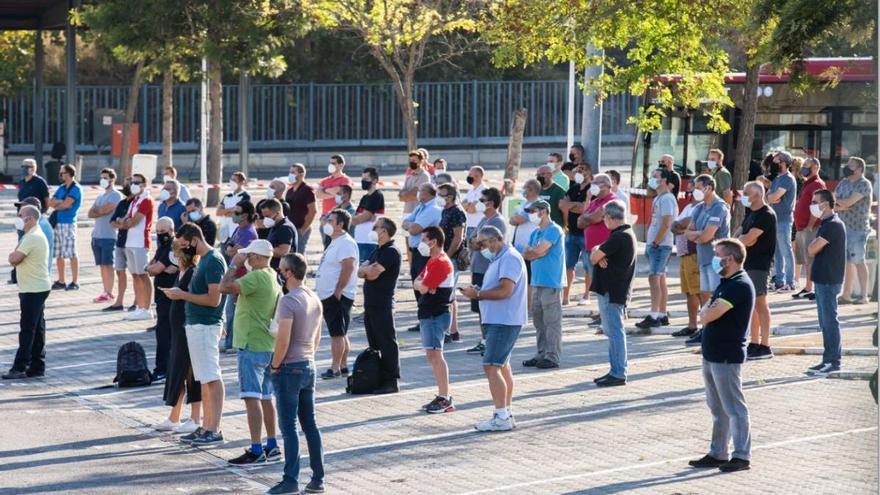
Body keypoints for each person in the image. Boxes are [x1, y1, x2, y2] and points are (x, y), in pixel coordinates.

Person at [688, 238, 754, 474]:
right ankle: (718, 452)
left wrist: (705, 312)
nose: (715, 259)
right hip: (712, 353)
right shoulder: (726, 282)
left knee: (734, 407)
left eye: (718, 255)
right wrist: (706, 312)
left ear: (731, 259)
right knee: (717, 407)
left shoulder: (739, 285)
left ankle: (741, 455)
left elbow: (708, 314)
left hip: (726, 355)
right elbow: (706, 310)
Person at [162, 224, 227, 446]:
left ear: (193, 239)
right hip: (197, 325)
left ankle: (214, 428)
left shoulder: (213, 261)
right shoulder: (203, 261)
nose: (184, 249)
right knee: (204, 379)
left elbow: (214, 299)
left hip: (206, 325)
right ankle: (205, 426)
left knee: (211, 377)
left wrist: (183, 295)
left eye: (184, 244)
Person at [219, 240, 283, 466]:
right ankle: (272, 444)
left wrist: (233, 265)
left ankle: (256, 449)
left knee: (251, 397)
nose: (245, 258)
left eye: (248, 256)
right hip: (266, 344)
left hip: (251, 343)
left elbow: (224, 287)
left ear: (255, 257)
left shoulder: (255, 277)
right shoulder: (272, 275)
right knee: (266, 397)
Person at [267, 253, 325, 495]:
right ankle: (317, 478)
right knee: (309, 424)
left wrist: (275, 365)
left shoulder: (289, 301)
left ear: (289, 273)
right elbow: (318, 337)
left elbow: (283, 337)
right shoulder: (313, 298)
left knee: (289, 426)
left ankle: (290, 480)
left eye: (281, 269)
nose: (279, 272)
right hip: (308, 363)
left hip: (290, 367)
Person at [460, 225, 527, 431]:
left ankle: (501, 416)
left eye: (482, 243)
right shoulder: (498, 258)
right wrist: (480, 290)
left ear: (494, 240)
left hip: (504, 320)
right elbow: (497, 288)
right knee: (501, 365)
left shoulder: (509, 258)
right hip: (498, 319)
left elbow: (505, 291)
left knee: (491, 366)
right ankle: (505, 412)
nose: (480, 248)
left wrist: (478, 295)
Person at [153, 236, 202, 435]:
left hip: (187, 328)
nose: (172, 255)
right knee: (177, 371)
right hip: (177, 329)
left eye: (175, 252)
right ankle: (175, 415)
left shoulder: (192, 273)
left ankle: (195, 416)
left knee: (190, 371)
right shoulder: (182, 273)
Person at [589, 200, 636, 386]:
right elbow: (596, 251)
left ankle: (618, 372)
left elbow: (594, 256)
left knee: (615, 332)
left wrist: (598, 255)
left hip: (613, 290)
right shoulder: (620, 234)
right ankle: (615, 369)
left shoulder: (620, 236)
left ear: (609, 217)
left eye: (604, 218)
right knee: (611, 331)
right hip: (612, 290)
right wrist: (599, 255)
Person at [3, 205, 51, 380]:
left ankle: (20, 366)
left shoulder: (32, 237)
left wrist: (12, 256)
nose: (18, 218)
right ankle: (37, 365)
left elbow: (14, 259)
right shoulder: (32, 234)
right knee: (37, 328)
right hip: (36, 286)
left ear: (29, 219)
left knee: (27, 329)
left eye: (20, 215)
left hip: (33, 289)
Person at [684, 174, 731, 346]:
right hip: (703, 258)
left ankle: (720, 330)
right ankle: (707, 329)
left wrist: (698, 234)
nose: (694, 191)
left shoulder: (719, 207)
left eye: (698, 187)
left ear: (709, 188)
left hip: (717, 261)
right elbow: (688, 233)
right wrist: (698, 234)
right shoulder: (699, 208)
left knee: (717, 296)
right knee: (705, 294)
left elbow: (706, 236)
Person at [414, 226, 456, 414]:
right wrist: (423, 285)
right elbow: (418, 282)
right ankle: (442, 394)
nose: (421, 243)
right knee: (432, 354)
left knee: (436, 354)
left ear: (434, 241)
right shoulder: (432, 260)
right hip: (428, 312)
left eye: (424, 239)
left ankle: (445, 397)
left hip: (435, 313)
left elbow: (423, 288)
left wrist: (424, 285)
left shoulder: (440, 262)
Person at [357, 218, 402, 393]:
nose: (373, 229)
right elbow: (361, 271)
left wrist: (368, 271)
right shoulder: (377, 250)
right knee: (375, 343)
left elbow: (373, 273)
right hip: (371, 303)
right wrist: (366, 271)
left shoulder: (391, 251)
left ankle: (391, 380)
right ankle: (378, 377)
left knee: (387, 342)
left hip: (383, 304)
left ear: (384, 231)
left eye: (376, 227)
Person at [806, 189, 846, 376]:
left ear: (826, 203)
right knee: (825, 321)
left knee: (830, 321)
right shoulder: (826, 224)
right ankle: (827, 359)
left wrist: (812, 247)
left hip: (829, 280)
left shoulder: (833, 225)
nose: (812, 205)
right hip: (822, 279)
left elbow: (812, 249)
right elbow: (812, 249)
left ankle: (833, 361)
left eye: (815, 201)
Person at [522, 199, 565, 369]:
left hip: (551, 282)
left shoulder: (553, 230)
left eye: (534, 211)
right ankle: (541, 353)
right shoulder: (536, 232)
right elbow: (527, 253)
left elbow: (539, 251)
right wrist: (536, 252)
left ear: (544, 211)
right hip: (537, 281)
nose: (531, 214)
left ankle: (552, 356)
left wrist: (536, 252)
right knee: (539, 321)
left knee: (552, 322)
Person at [316, 209, 359, 379]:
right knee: (341, 332)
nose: (327, 223)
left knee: (337, 334)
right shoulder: (335, 241)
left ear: (340, 224)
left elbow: (348, 267)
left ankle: (335, 368)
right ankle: (343, 364)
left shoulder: (346, 243)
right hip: (329, 295)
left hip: (337, 295)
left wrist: (338, 290)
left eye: (331, 220)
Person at [736, 182, 776, 360]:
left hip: (759, 265)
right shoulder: (751, 213)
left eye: (747, 193)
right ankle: (753, 342)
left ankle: (765, 345)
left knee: (760, 304)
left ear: (758, 195)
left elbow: (750, 237)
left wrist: (742, 239)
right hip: (747, 262)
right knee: (751, 305)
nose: (743, 195)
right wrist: (741, 239)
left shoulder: (766, 214)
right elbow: (739, 234)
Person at [466, 187, 507, 354]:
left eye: (482, 201)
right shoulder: (483, 220)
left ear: (491, 203)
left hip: (488, 269)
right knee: (479, 307)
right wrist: (475, 243)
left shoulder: (498, 222)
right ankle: (484, 339)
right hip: (477, 267)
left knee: (488, 305)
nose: (478, 203)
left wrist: (477, 243)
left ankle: (491, 340)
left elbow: (484, 244)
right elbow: (471, 241)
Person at [636, 168, 677, 330]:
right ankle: (662, 313)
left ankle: (654, 315)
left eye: (656, 177)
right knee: (660, 278)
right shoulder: (658, 197)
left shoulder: (667, 199)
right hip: (656, 244)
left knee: (654, 277)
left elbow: (667, 223)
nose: (652, 180)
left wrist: (656, 242)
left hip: (660, 245)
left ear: (665, 180)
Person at [403, 183, 443, 331]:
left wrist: (410, 225)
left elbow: (414, 229)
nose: (418, 193)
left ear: (428, 193)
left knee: (425, 285)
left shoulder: (432, 209)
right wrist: (409, 224)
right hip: (415, 251)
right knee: (417, 285)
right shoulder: (421, 207)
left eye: (420, 191)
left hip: (425, 253)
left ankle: (429, 320)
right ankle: (423, 319)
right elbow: (404, 223)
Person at [835, 156, 873, 305]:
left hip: (857, 229)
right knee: (846, 262)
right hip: (842, 227)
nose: (846, 167)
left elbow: (849, 202)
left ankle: (864, 296)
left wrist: (843, 204)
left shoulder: (864, 184)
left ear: (859, 169)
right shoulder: (843, 182)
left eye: (851, 166)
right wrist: (842, 205)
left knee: (858, 261)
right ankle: (846, 295)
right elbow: (834, 200)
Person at [221, 200, 259, 352]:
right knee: (230, 311)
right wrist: (234, 250)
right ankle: (230, 341)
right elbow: (229, 249)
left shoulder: (250, 233)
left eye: (237, 213)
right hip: (234, 274)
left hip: (242, 277)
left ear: (246, 215)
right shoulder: (238, 229)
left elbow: (240, 253)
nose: (233, 215)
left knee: (236, 311)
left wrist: (234, 250)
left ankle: (235, 343)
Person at [577, 174, 617, 312]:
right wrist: (588, 199)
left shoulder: (611, 201)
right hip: (590, 250)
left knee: (607, 285)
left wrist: (588, 218)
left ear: (606, 185)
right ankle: (602, 314)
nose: (592, 185)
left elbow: (595, 218)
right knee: (599, 286)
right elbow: (580, 222)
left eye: (595, 183)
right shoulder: (594, 202)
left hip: (604, 251)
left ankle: (608, 315)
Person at [146, 217, 178, 382]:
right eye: (157, 232)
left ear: (171, 230)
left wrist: (157, 268)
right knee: (163, 333)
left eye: (163, 231)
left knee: (166, 334)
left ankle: (163, 369)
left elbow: (155, 268)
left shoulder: (173, 248)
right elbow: (150, 268)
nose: (160, 235)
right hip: (161, 297)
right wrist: (158, 268)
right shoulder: (162, 247)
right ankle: (165, 368)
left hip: (170, 297)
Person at [120, 173, 155, 322]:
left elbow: (133, 221)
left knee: (143, 275)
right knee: (135, 275)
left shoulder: (146, 200)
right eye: (132, 182)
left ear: (144, 185)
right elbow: (124, 219)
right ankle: (139, 306)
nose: (133, 184)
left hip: (141, 242)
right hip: (130, 241)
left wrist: (125, 222)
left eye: (137, 182)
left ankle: (147, 308)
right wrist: (125, 222)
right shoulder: (135, 200)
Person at [670, 183, 702, 338]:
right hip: (683, 254)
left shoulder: (701, 207)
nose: (691, 189)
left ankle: (705, 325)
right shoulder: (689, 206)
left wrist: (682, 226)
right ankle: (692, 325)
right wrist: (680, 226)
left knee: (698, 291)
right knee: (689, 292)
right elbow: (674, 225)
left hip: (694, 253)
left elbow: (685, 223)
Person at [792, 157, 826, 300]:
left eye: (808, 166)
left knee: (811, 259)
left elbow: (817, 207)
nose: (804, 168)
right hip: (801, 227)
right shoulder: (808, 183)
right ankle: (807, 288)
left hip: (809, 228)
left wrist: (811, 225)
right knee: (805, 259)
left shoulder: (817, 184)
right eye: (804, 165)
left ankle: (811, 288)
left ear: (816, 168)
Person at [437, 182, 466, 342]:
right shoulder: (445, 211)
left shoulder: (457, 212)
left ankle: (448, 331)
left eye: (442, 194)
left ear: (451, 197)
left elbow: (458, 237)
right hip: (445, 257)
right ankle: (453, 330)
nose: (439, 197)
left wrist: (447, 256)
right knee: (450, 295)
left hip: (452, 259)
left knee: (447, 294)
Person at [763, 151, 797, 292]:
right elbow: (768, 197)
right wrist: (772, 197)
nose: (773, 164)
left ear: (783, 163)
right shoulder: (777, 179)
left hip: (784, 220)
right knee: (777, 252)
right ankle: (779, 281)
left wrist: (772, 197)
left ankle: (790, 282)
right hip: (775, 219)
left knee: (786, 251)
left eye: (776, 161)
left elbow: (772, 197)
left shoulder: (788, 179)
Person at [88, 168, 123, 304]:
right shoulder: (100, 196)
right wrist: (98, 211)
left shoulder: (115, 195)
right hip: (97, 235)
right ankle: (105, 291)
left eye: (105, 177)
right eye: (101, 177)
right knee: (102, 265)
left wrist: (98, 211)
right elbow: (90, 213)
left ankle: (109, 292)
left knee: (108, 265)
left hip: (109, 236)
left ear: (112, 179)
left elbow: (104, 210)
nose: (103, 180)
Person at [558, 163, 591, 305]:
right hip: (571, 233)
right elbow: (562, 205)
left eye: (582, 170)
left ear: (588, 173)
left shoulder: (592, 190)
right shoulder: (573, 188)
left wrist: (572, 205)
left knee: (588, 266)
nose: (578, 172)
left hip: (586, 234)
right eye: (577, 170)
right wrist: (576, 205)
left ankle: (586, 295)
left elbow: (585, 208)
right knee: (568, 266)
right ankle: (565, 297)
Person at [48, 164, 82, 291]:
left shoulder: (76, 189)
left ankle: (74, 281)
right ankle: (61, 280)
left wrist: (59, 203)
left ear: (68, 174)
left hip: (68, 223)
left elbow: (67, 205)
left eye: (62, 173)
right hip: (57, 222)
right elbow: (51, 202)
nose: (60, 175)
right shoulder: (62, 188)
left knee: (72, 253)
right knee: (59, 254)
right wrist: (60, 203)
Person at [510, 179, 541, 299]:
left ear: (532, 190)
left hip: (530, 247)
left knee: (528, 278)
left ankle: (528, 307)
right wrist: (516, 218)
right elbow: (512, 220)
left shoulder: (537, 204)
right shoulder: (524, 204)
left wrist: (517, 218)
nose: (523, 190)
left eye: (525, 188)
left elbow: (519, 219)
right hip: (518, 246)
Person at [105, 178, 133, 311]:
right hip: (121, 242)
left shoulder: (137, 203)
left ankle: (137, 301)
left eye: (128, 183)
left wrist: (121, 223)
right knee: (120, 272)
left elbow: (131, 222)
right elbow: (112, 223)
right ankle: (119, 301)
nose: (125, 186)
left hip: (133, 243)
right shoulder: (122, 203)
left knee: (136, 273)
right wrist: (122, 223)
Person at [316, 155, 352, 247]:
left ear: (340, 165)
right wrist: (333, 191)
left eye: (333, 163)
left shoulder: (346, 180)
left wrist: (325, 190)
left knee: (340, 245)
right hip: (325, 218)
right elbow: (318, 194)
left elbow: (342, 192)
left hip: (338, 218)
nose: (330, 165)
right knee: (327, 245)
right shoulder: (325, 180)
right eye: (330, 163)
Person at [352, 167, 385, 263]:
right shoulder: (365, 197)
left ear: (375, 180)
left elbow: (359, 219)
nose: (363, 182)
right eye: (362, 179)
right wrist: (358, 218)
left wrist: (359, 218)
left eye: (366, 179)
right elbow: (356, 218)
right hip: (360, 239)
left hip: (370, 241)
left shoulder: (377, 195)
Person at [284, 163, 317, 254]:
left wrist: (303, 229)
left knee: (299, 254)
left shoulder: (307, 190)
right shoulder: (290, 191)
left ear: (301, 174)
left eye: (293, 172)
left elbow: (313, 211)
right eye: (290, 172)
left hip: (300, 228)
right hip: (291, 228)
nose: (290, 174)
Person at [260, 199, 297, 271]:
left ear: (277, 213)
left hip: (282, 272)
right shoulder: (275, 226)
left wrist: (261, 249)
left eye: (268, 216)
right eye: (264, 216)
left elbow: (283, 252)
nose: (265, 219)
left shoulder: (285, 228)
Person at [215, 171, 251, 244]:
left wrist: (225, 212)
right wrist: (231, 209)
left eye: (234, 180)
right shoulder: (227, 196)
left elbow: (239, 214)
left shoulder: (245, 196)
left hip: (237, 233)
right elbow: (218, 212)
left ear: (241, 183)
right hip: (225, 233)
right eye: (231, 179)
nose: (232, 182)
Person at [462, 166, 487, 239]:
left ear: (477, 176)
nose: (468, 177)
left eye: (470, 175)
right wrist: (469, 205)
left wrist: (468, 206)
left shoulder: (484, 191)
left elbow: (471, 210)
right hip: (469, 226)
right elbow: (462, 206)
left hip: (478, 228)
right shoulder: (471, 190)